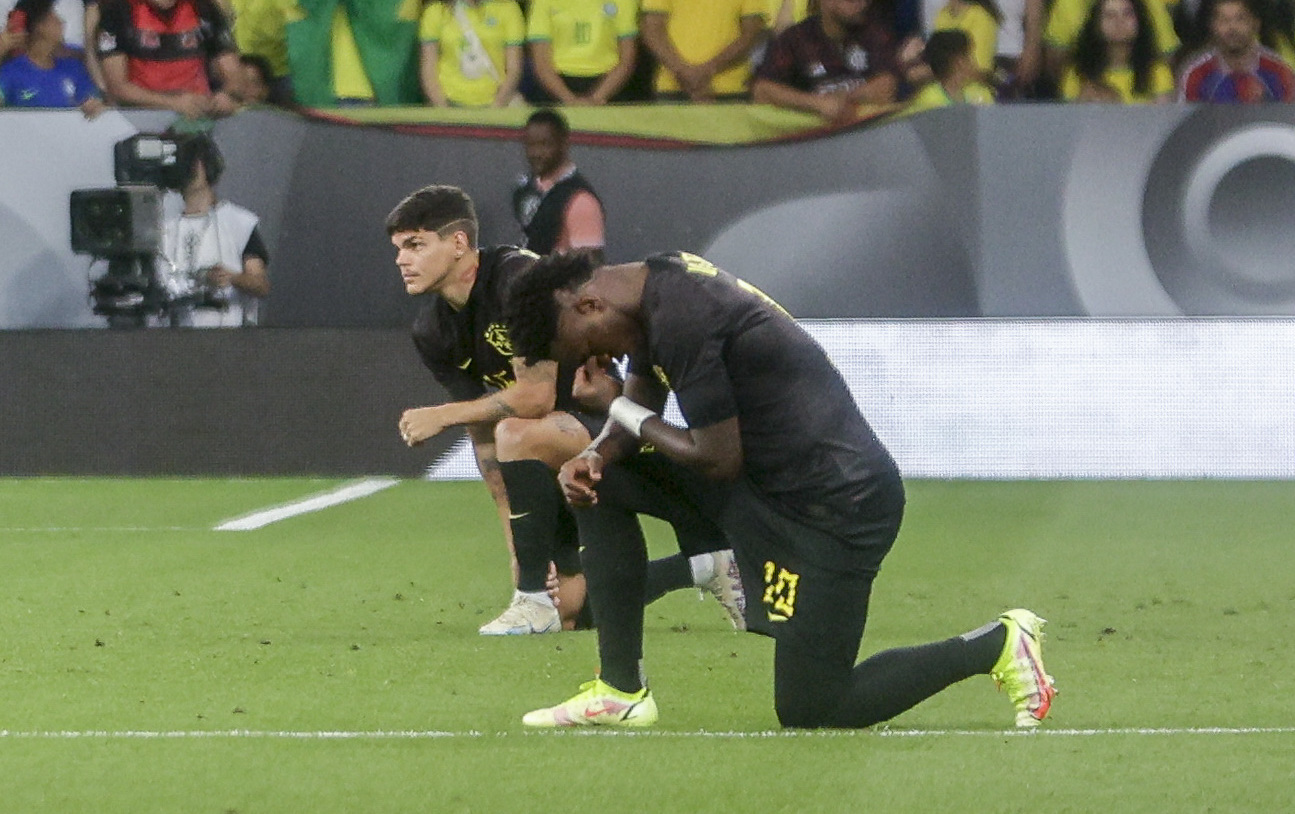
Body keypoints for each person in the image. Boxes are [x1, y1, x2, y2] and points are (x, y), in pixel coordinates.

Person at [504, 250, 1057, 729]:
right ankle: (620, 692)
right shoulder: (652, 290)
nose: (586, 361)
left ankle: (998, 643)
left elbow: (716, 457)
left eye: (577, 346)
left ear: (589, 306)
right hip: (769, 488)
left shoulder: (686, 314)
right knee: (599, 481)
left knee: (814, 706)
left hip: (835, 508)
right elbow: (646, 395)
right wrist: (596, 452)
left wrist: (615, 406)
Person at [386, 185, 745, 636]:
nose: (402, 259)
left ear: (458, 244)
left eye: (415, 245)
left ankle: (536, 601)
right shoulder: (434, 331)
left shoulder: (514, 280)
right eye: (398, 248)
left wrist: (441, 415)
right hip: (549, 463)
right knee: (573, 612)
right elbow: (486, 446)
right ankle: (703, 566)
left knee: (517, 431)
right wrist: (521, 558)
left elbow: (535, 396)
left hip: (612, 430)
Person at [158, 135, 270, 327]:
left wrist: (232, 277)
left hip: (225, 334)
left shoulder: (239, 222)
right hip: (174, 337)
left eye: (192, 161)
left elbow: (261, 284)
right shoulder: (163, 229)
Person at [752, 0, 902, 124]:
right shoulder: (795, 39)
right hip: (815, 144)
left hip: (868, 136)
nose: (862, 3)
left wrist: (842, 100)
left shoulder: (875, 34)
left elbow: (886, 86)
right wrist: (817, 104)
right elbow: (762, 91)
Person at [96, 0, 241, 118]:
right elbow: (118, 88)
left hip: (197, 120)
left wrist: (227, 95)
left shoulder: (205, 8)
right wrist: (174, 103)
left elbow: (232, 71)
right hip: (140, 120)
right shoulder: (117, 10)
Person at [511, 108, 605, 259]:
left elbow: (589, 268)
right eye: (530, 145)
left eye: (545, 144)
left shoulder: (580, 200)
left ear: (564, 144)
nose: (536, 153)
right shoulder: (524, 190)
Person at [639, 0, 767, 102]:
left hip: (729, 91)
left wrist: (699, 73)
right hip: (672, 90)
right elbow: (651, 29)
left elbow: (751, 35)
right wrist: (686, 73)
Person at [523, 0, 638, 105]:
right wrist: (569, 99)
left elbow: (627, 59)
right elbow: (541, 63)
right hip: (557, 83)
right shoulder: (542, 2)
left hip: (609, 83)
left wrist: (597, 98)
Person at [0, 0, 104, 115]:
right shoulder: (11, 72)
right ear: (39, 26)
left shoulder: (74, 68)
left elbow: (93, 99)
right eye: (52, 16)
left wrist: (94, 106)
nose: (61, 22)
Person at [1179, 0, 1295, 100]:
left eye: (1240, 19)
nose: (1232, 28)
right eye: (1224, 20)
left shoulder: (1279, 72)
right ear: (1212, 26)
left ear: (1256, 23)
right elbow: (1186, 121)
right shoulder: (1196, 75)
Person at [418, 0, 525, 107]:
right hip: (449, 100)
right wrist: (443, 109)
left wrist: (498, 105)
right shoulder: (435, 12)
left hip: (495, 102)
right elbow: (428, 69)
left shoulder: (508, 8)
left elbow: (514, 68)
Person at [1062, 0, 1174, 102]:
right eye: (1110, 15)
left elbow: (1164, 121)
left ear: (1139, 21)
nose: (1119, 22)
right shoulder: (1077, 74)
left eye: (1127, 14)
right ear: (1096, 24)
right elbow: (1070, 120)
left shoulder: (1157, 72)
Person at [906, 28, 996, 110]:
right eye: (970, 55)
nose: (974, 61)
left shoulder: (981, 93)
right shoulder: (928, 101)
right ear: (959, 62)